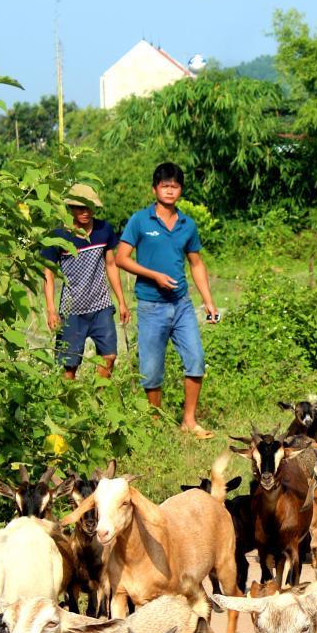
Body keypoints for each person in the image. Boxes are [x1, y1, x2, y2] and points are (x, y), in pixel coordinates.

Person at [115, 163, 218, 439]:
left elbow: (196, 263)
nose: (170, 190)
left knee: (196, 359)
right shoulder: (140, 221)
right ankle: (154, 423)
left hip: (182, 304)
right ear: (155, 189)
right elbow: (120, 258)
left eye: (175, 186)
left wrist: (208, 301)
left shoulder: (188, 224)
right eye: (165, 185)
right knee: (151, 370)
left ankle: (189, 420)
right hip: (151, 306)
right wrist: (153, 276)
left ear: (180, 190)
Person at [41, 184, 129, 380]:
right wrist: (51, 309)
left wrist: (121, 301)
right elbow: (48, 273)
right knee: (68, 366)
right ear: (71, 208)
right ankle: (70, 407)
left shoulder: (103, 229)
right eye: (80, 208)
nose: (85, 212)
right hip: (72, 309)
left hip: (101, 305)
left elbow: (111, 265)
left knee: (109, 356)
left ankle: (95, 398)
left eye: (89, 207)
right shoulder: (59, 236)